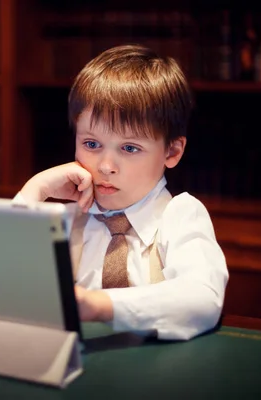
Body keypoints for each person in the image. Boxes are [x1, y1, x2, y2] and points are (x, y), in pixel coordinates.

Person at [13, 44, 229, 341]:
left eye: (129, 148)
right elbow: (0, 278)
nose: (105, 166)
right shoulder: (68, 218)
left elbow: (203, 298)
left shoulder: (181, 216)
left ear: (172, 151)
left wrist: (98, 305)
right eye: (91, 144)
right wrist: (33, 192)